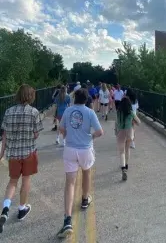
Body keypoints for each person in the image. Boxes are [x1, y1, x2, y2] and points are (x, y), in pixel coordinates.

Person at [0, 84, 43, 234]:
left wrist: (1, 154)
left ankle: (6, 208)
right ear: (30, 96)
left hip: (13, 154)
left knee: (12, 182)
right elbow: (36, 134)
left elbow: (5, 135)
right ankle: (22, 208)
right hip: (28, 152)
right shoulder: (34, 112)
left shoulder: (8, 112)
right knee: (26, 180)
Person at [56, 89, 104, 238]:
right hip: (85, 149)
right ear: (87, 99)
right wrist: (91, 137)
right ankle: (84, 199)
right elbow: (100, 131)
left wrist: (67, 135)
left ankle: (67, 219)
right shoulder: (90, 112)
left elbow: (61, 128)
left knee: (70, 183)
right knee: (86, 173)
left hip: (70, 148)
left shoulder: (68, 110)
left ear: (75, 97)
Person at [115, 96, 141, 181]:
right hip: (129, 132)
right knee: (127, 149)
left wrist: (116, 131)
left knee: (122, 152)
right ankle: (126, 164)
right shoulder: (131, 112)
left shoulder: (118, 112)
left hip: (121, 132)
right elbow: (139, 122)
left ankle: (123, 168)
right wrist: (133, 121)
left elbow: (116, 123)